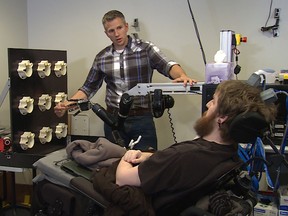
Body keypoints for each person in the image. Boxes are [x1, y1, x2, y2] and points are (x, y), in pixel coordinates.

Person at [111, 80, 277, 214]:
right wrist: (150, 157)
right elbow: (176, 165)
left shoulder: (185, 156)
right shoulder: (228, 154)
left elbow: (123, 178)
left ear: (222, 118)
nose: (208, 105)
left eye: (213, 101)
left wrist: (127, 156)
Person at [54, 10, 196, 150]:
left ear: (126, 26)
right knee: (114, 165)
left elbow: (167, 65)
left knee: (145, 165)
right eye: (111, 31)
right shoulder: (102, 57)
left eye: (119, 28)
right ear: (106, 33)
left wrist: (182, 76)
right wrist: (66, 104)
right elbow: (88, 88)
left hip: (141, 119)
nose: (116, 34)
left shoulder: (146, 49)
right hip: (112, 120)